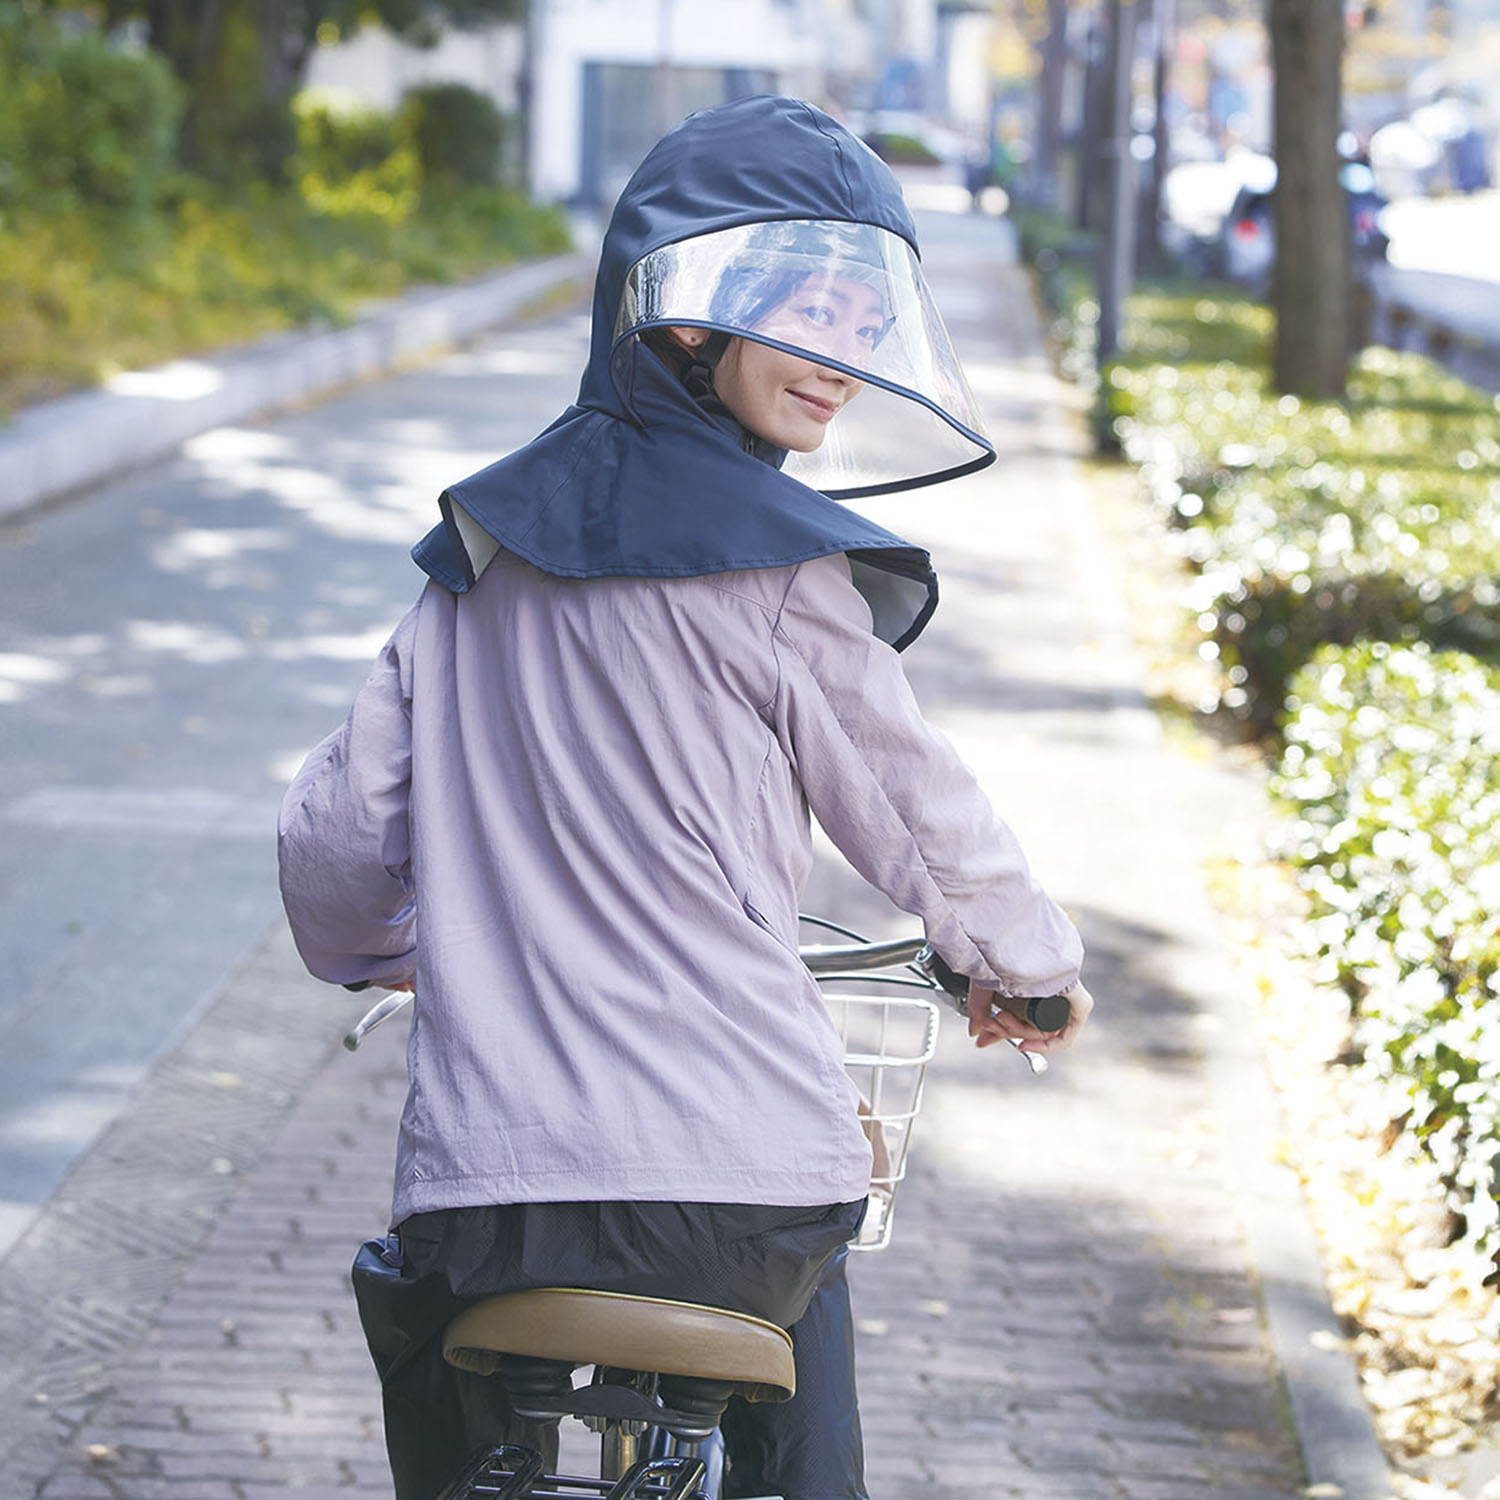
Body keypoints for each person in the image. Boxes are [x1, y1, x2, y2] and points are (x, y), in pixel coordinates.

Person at [278, 95, 1093, 1500]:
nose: (845, 358)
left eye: (865, 316)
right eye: (805, 307)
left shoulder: (473, 562)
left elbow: (339, 836)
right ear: (686, 311)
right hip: (739, 1200)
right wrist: (1030, 968)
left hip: (490, 1198)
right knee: (811, 1283)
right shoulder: (783, 579)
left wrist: (384, 956)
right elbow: (917, 809)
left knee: (416, 1315)